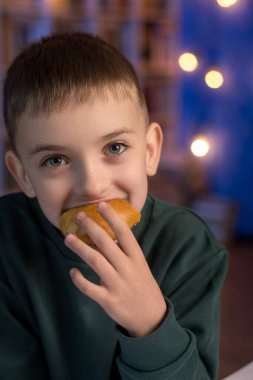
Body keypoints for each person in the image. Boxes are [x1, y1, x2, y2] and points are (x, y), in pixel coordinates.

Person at [0, 32, 228, 380]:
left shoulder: (188, 247)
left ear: (150, 150)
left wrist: (151, 325)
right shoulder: (6, 244)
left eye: (115, 148)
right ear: (24, 175)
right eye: (56, 159)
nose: (92, 185)